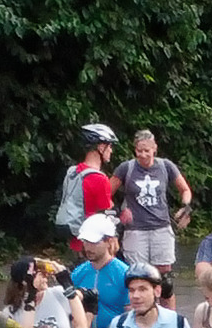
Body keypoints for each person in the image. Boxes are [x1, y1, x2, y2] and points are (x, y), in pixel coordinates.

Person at [114, 129, 194, 291]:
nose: (143, 155)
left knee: (164, 281)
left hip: (161, 227)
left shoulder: (165, 166)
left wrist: (185, 207)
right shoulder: (126, 168)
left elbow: (185, 190)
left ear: (154, 149)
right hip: (135, 230)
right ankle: (139, 313)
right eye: (139, 151)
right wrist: (119, 212)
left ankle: (167, 315)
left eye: (147, 151)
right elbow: (105, 194)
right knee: (137, 276)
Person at [59, 123, 121, 247]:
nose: (111, 150)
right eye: (109, 146)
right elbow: (106, 214)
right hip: (92, 243)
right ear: (101, 147)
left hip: (74, 239)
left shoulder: (73, 172)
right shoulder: (99, 178)